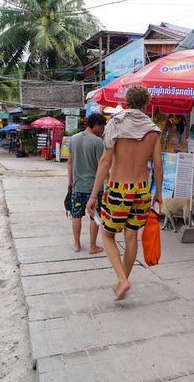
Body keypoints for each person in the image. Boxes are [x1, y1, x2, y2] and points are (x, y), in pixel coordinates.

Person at [87, 85, 162, 301]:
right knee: (131, 237)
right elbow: (157, 165)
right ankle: (122, 280)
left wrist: (93, 196)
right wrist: (158, 193)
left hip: (120, 188)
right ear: (146, 104)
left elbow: (105, 161)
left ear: (127, 102)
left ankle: (122, 279)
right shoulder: (153, 130)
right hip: (142, 190)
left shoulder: (116, 123)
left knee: (107, 234)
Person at [67, 113, 107, 254]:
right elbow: (101, 166)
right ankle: (92, 246)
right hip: (94, 188)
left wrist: (70, 182)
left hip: (77, 186)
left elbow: (69, 162)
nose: (102, 130)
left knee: (76, 215)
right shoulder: (98, 142)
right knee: (93, 216)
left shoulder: (73, 139)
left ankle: (77, 245)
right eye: (102, 126)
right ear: (96, 124)